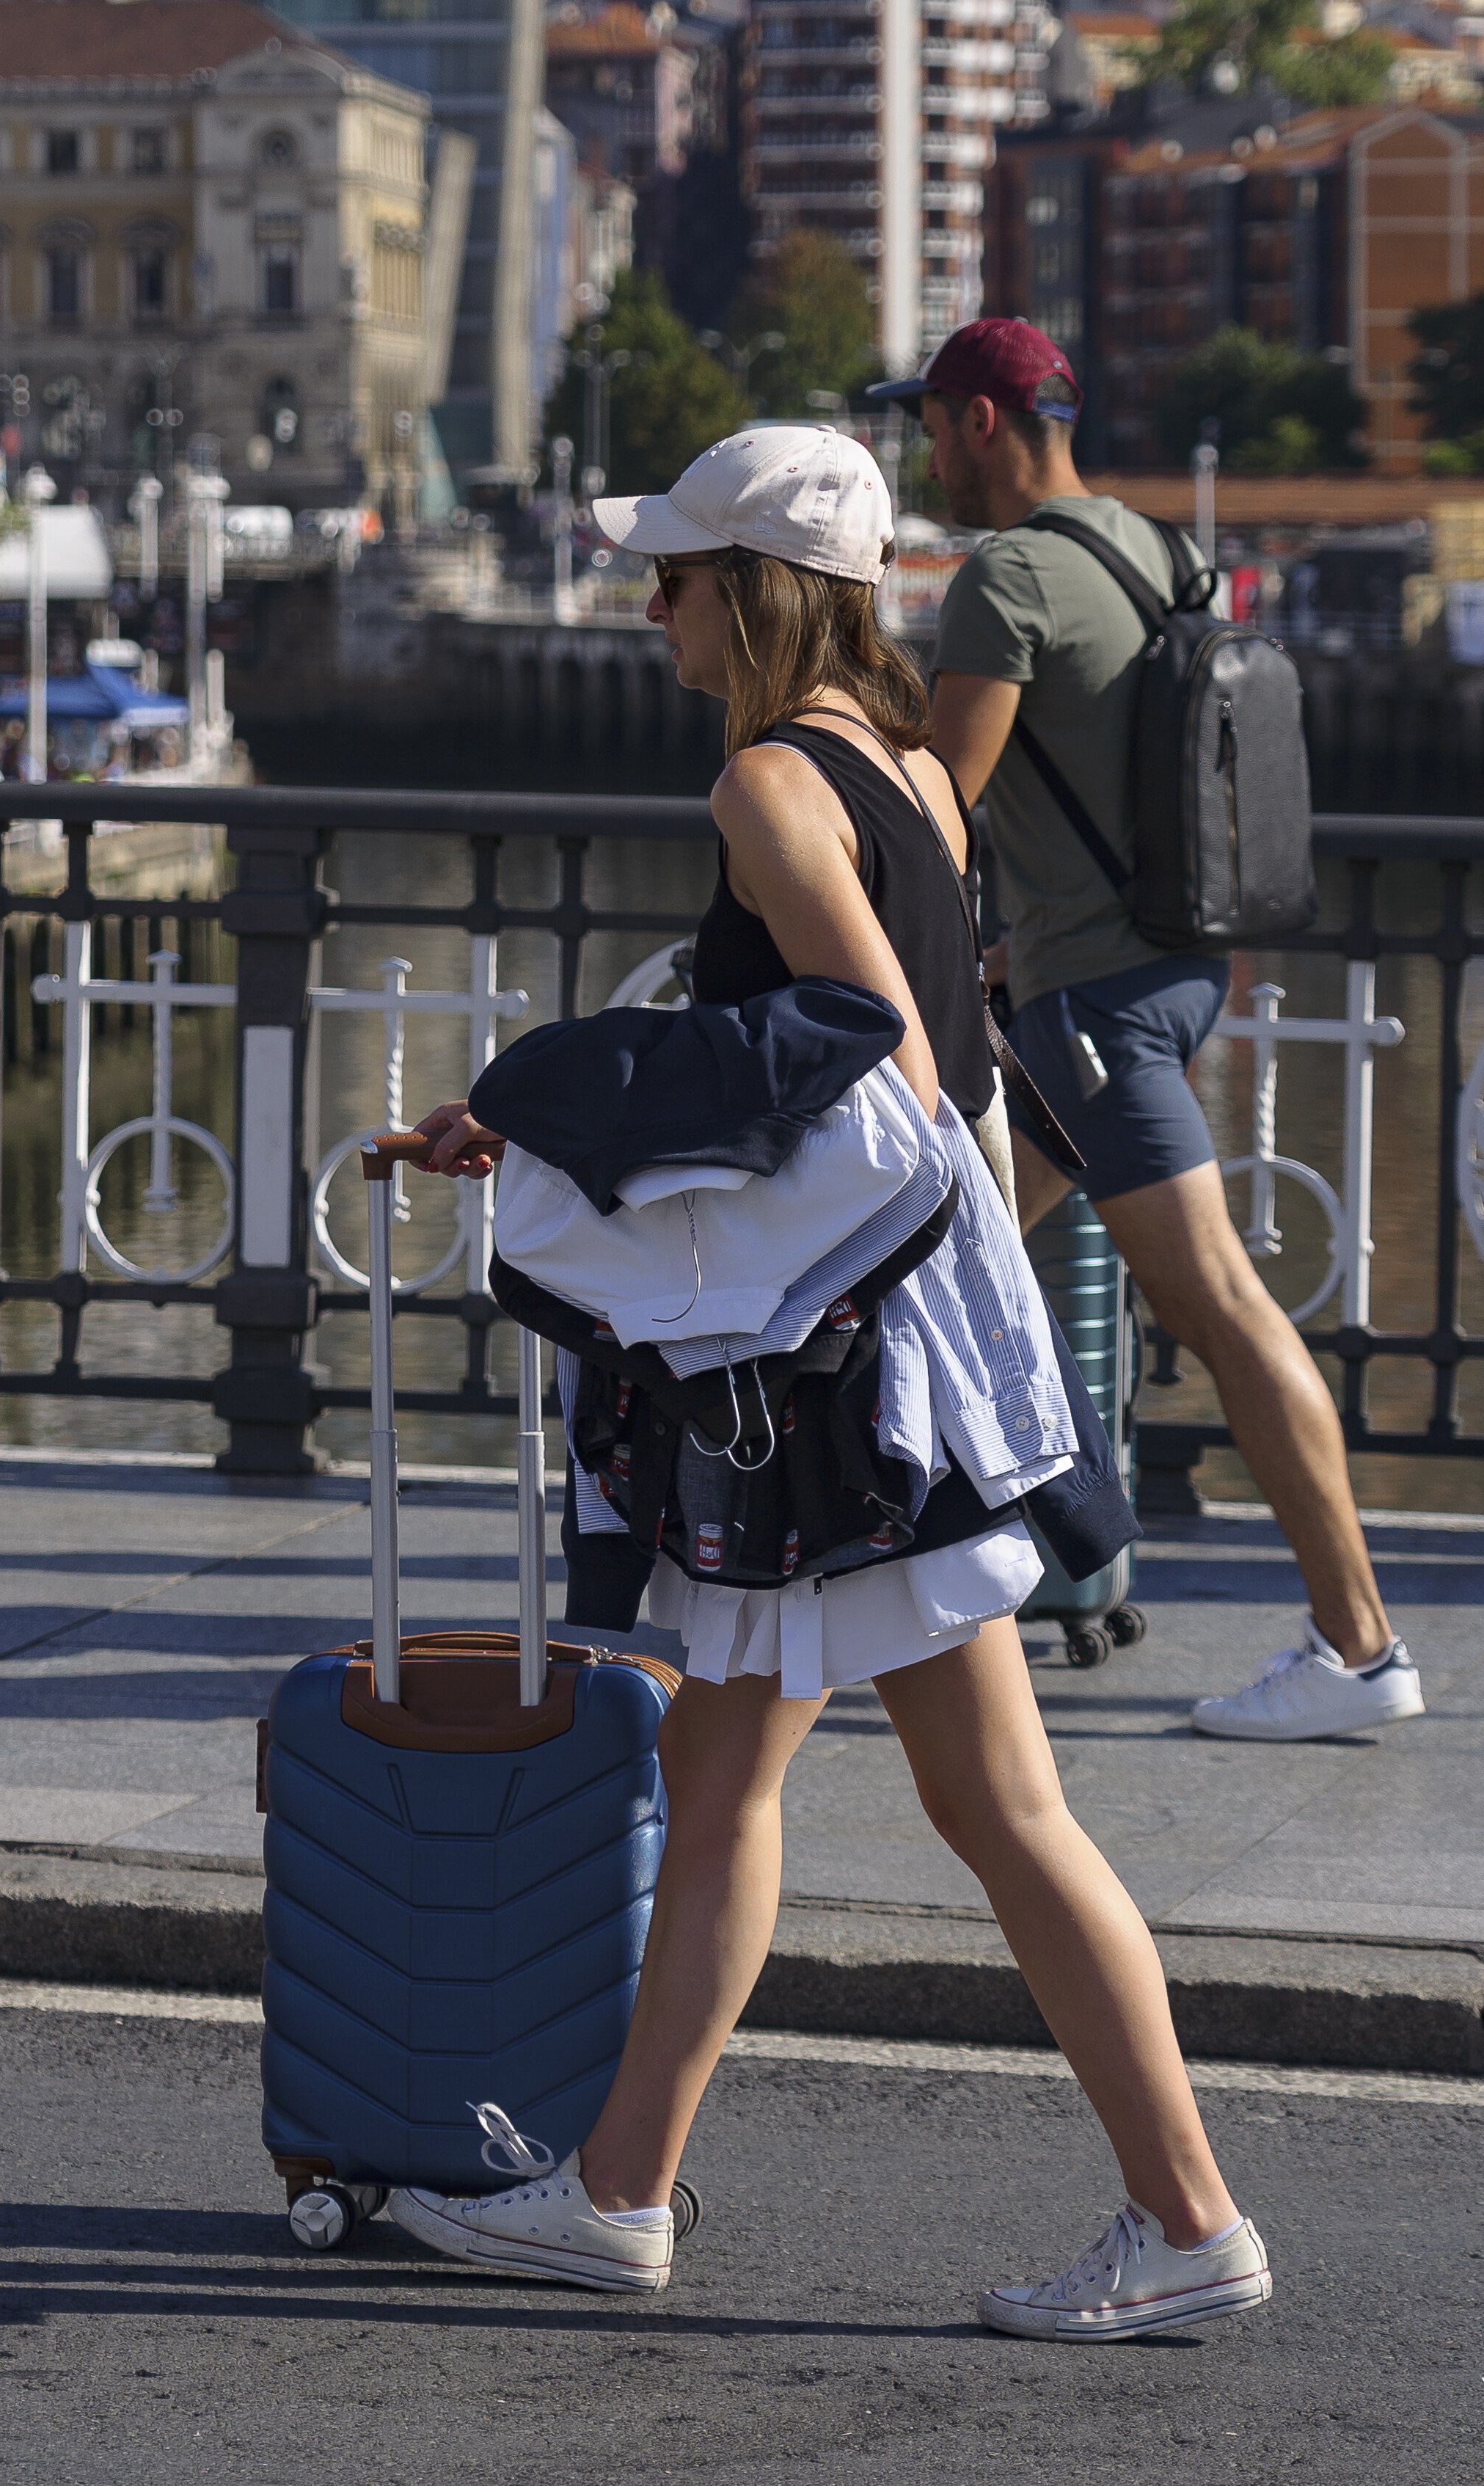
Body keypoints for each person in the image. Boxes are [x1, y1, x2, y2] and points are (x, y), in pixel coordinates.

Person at [396, 425, 1276, 2343]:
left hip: (833, 1392)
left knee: (969, 1808)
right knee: (740, 1778)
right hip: (902, 1350)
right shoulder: (902, 772)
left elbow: (853, 1068)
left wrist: (559, 1106)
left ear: (754, 590)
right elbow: (898, 1063)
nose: (651, 606)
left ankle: (1186, 2211)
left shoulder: (767, 783)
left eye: (677, 576)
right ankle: (621, 2189)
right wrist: (543, 1124)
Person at [891, 318, 1425, 1743]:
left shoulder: (1001, 575)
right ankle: (916, 1591)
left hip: (1092, 1008)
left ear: (984, 422)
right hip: (1181, 961)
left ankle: (1355, 1649)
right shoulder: (1142, 543)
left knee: (1220, 1307)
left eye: (928, 424)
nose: (919, 452)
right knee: (947, 1260)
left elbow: (942, 795)